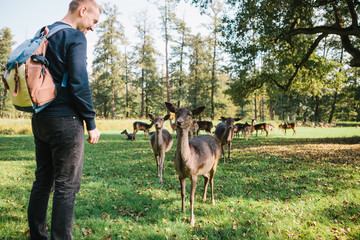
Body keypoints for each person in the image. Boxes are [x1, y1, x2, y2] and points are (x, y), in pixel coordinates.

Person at [27, 0, 101, 239]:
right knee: (66, 186)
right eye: (93, 21)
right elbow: (79, 81)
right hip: (65, 121)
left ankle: (38, 236)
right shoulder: (76, 38)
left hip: (40, 119)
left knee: (42, 182)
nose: (92, 28)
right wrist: (90, 122)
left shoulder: (45, 32)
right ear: (82, 10)